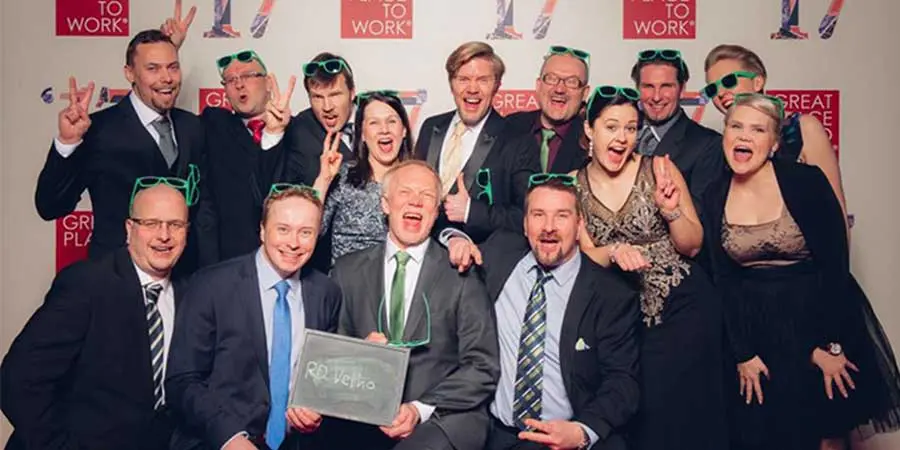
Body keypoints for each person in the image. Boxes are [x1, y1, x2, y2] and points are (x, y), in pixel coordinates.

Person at [700, 93, 900, 450]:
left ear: (775, 144)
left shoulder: (806, 182)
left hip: (818, 321)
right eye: (736, 126)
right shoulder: (714, 194)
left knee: (825, 436)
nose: (744, 136)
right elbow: (723, 280)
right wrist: (743, 353)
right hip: (756, 332)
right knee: (760, 436)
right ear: (725, 134)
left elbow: (835, 266)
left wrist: (830, 346)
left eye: (758, 129)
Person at [574, 85, 726, 450]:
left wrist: (671, 211)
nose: (622, 138)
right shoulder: (573, 184)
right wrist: (613, 251)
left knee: (686, 419)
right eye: (611, 126)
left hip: (682, 306)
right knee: (639, 417)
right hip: (623, 318)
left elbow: (692, 245)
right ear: (590, 129)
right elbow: (583, 255)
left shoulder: (659, 169)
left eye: (630, 128)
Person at [2, 183, 191, 449]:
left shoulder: (192, 294)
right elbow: (19, 380)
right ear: (129, 229)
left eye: (175, 225)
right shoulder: (87, 284)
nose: (164, 235)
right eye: (151, 223)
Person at [330, 160, 500, 450]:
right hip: (363, 421)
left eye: (427, 196)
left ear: (436, 212)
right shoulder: (347, 271)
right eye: (405, 192)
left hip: (441, 419)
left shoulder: (461, 273)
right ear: (385, 204)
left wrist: (419, 409)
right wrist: (360, 357)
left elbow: (483, 367)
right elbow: (330, 359)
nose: (416, 201)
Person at [166, 186, 342, 450]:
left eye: (305, 232)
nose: (294, 243)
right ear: (262, 230)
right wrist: (229, 437)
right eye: (283, 229)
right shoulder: (211, 286)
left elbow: (322, 375)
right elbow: (182, 381)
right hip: (217, 442)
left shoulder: (326, 293)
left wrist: (315, 409)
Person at [473, 177, 640, 450]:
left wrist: (581, 431)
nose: (548, 227)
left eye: (562, 216)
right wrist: (454, 239)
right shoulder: (500, 253)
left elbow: (623, 382)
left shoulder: (611, 295)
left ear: (579, 225)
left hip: (565, 436)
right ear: (525, 224)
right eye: (538, 215)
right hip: (495, 433)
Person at [34, 29, 206, 274]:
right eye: (153, 68)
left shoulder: (192, 127)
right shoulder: (98, 130)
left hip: (184, 280)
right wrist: (68, 142)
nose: (166, 78)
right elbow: (50, 206)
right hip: (115, 278)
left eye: (173, 67)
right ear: (130, 73)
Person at [160, 3, 298, 265]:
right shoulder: (213, 125)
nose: (239, 84)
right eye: (230, 80)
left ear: (268, 83)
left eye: (248, 76)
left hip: (288, 260)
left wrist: (274, 133)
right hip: (228, 264)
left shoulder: (298, 130)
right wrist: (169, 50)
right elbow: (161, 111)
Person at [703, 44, 848, 222]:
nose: (720, 93)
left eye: (728, 81)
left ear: (757, 82)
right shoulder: (723, 145)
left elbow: (836, 211)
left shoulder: (802, 128)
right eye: (712, 89)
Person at [416, 41, 540, 242]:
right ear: (451, 84)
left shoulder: (518, 142)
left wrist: (471, 211)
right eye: (463, 79)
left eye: (483, 80)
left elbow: (529, 216)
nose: (472, 89)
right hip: (425, 252)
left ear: (497, 86)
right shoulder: (431, 127)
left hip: (481, 256)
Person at [311, 90, 415, 266]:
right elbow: (311, 230)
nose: (384, 130)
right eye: (374, 123)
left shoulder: (417, 181)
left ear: (404, 130)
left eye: (391, 121)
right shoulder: (344, 176)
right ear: (363, 134)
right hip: (348, 278)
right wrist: (324, 180)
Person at [630, 48, 725, 201]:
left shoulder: (708, 145)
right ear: (638, 89)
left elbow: (702, 211)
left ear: (682, 89)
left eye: (666, 86)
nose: (656, 97)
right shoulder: (621, 135)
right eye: (648, 86)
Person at [504, 46, 591, 174]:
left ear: (585, 93)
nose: (559, 89)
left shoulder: (593, 138)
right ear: (538, 85)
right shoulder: (509, 127)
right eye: (551, 79)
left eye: (572, 82)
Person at [283, 52, 358, 186]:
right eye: (317, 97)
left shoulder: (377, 116)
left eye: (334, 95)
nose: (327, 107)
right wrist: (274, 132)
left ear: (352, 93)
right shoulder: (300, 129)